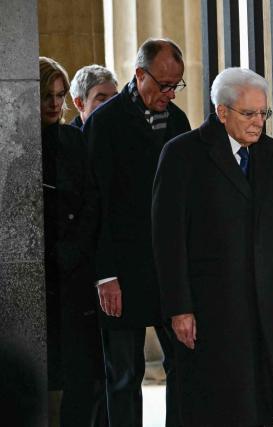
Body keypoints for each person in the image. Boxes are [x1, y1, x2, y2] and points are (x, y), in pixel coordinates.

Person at [151, 67, 273, 426]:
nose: (258, 122)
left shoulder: (267, 151)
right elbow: (167, 239)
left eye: (263, 113)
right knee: (211, 402)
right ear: (221, 111)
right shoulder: (183, 153)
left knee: (258, 400)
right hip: (207, 307)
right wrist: (179, 308)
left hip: (261, 301)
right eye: (249, 114)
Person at [83, 38, 191, 427]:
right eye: (162, 84)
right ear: (139, 75)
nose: (169, 93)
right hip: (121, 272)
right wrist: (106, 274)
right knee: (125, 375)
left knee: (183, 364)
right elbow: (95, 204)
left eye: (176, 85)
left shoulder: (177, 122)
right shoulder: (104, 122)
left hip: (167, 272)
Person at [39, 56, 106, 426]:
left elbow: (92, 200)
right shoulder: (15, 146)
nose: (54, 104)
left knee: (85, 378)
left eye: (60, 95)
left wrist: (74, 249)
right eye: (46, 95)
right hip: (38, 277)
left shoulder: (73, 139)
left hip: (75, 273)